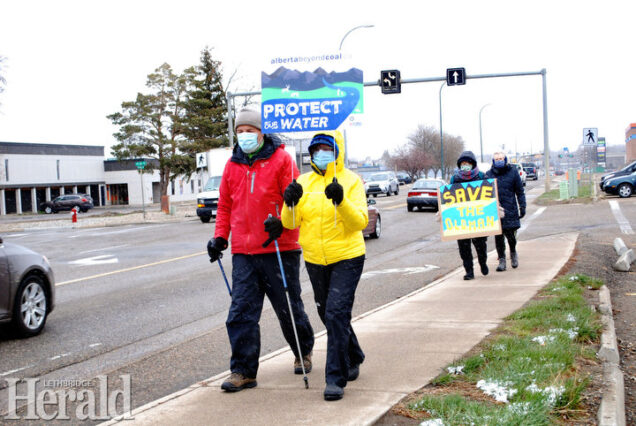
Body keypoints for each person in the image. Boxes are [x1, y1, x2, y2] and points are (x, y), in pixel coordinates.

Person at [207, 108, 314, 392]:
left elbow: (296, 200)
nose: (244, 136)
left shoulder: (282, 160)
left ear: (261, 132)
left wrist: (282, 223)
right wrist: (220, 237)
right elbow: (225, 206)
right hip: (244, 252)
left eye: (249, 131)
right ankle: (243, 371)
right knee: (241, 312)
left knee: (288, 308)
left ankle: (303, 351)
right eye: (239, 132)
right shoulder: (232, 165)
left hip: (280, 247)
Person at [281, 130, 368, 401]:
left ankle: (335, 377)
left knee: (336, 313)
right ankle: (353, 354)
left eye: (326, 148)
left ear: (337, 151)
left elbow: (360, 223)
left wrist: (341, 201)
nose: (321, 153)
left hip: (347, 256)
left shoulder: (352, 181)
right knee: (327, 313)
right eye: (316, 149)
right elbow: (289, 222)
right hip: (315, 259)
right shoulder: (303, 181)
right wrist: (289, 201)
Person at [450, 151, 489, 280]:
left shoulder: (482, 176)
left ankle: (483, 263)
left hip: (478, 217)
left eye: (467, 163)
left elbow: (489, 196)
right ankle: (469, 271)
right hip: (462, 219)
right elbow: (448, 198)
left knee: (481, 245)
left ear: (472, 164)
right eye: (462, 163)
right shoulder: (455, 178)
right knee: (464, 248)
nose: (465, 165)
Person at [486, 152, 526, 271]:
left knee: (511, 236)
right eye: (497, 159)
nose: (499, 160)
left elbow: (519, 191)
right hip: (496, 210)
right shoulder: (488, 175)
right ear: (493, 161)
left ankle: (513, 253)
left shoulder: (513, 172)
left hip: (510, 209)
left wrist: (522, 206)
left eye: (501, 158)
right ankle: (502, 259)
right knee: (498, 237)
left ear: (505, 160)